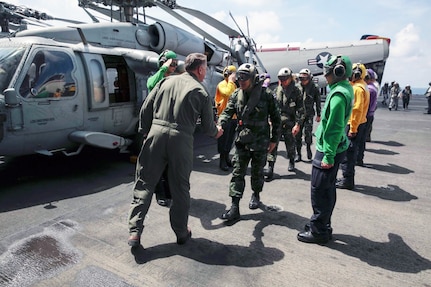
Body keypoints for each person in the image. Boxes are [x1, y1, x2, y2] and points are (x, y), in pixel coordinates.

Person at [127, 53, 223, 247]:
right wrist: (217, 132)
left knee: (145, 182)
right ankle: (181, 232)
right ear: (200, 69)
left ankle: (134, 231)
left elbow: (146, 108)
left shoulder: (165, 82)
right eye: (205, 69)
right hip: (181, 140)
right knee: (180, 189)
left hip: (156, 134)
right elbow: (207, 127)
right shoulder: (201, 91)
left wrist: (146, 133)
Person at [297, 55, 354, 244]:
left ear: (337, 72)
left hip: (329, 149)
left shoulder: (338, 96)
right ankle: (322, 224)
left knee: (320, 190)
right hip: (335, 147)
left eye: (327, 72)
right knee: (327, 189)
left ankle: (319, 230)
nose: (325, 75)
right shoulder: (344, 88)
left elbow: (335, 128)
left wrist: (328, 156)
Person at [218, 63, 281, 221]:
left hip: (260, 142)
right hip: (243, 141)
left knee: (257, 173)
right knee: (237, 172)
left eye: (245, 79)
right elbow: (227, 112)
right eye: (239, 78)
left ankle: (256, 194)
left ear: (253, 79)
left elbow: (276, 118)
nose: (241, 82)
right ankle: (234, 207)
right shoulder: (236, 94)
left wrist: (274, 140)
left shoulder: (266, 95)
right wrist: (220, 124)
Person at [146, 49, 178, 207]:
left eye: (175, 64)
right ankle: (160, 193)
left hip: (172, 127)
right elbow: (151, 84)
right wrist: (164, 68)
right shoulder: (155, 79)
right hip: (156, 127)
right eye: (172, 64)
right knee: (159, 164)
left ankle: (170, 193)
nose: (174, 67)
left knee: (171, 164)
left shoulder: (174, 81)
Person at [265, 67, 304, 181]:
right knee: (272, 145)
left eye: (285, 79)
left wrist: (298, 124)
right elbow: (271, 106)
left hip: (290, 123)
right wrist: (269, 118)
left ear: (290, 78)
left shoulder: (296, 91)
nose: (283, 81)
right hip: (277, 123)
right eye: (281, 79)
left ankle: (292, 160)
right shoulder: (277, 90)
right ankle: (270, 169)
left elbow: (301, 110)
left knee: (290, 145)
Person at [335, 63, 369, 190]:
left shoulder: (357, 89)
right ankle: (347, 178)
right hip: (360, 123)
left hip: (353, 125)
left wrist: (353, 128)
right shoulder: (362, 86)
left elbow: (356, 109)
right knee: (351, 153)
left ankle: (347, 180)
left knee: (348, 153)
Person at [295, 68, 321, 162]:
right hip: (298, 115)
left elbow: (318, 101)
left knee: (308, 133)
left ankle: (308, 148)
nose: (303, 80)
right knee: (297, 135)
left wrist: (319, 114)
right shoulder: (297, 87)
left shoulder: (314, 87)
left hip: (309, 114)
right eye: (301, 78)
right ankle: (298, 154)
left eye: (305, 78)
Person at [215, 65, 238, 171]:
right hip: (224, 116)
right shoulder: (222, 84)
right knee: (223, 140)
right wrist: (230, 81)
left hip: (233, 117)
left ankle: (227, 157)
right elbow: (227, 93)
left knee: (230, 139)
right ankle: (222, 160)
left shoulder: (234, 85)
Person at [357, 68, 378, 166]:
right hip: (370, 115)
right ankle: (359, 158)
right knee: (362, 138)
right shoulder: (372, 87)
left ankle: (358, 158)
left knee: (359, 139)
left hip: (365, 116)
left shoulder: (368, 89)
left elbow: (364, 106)